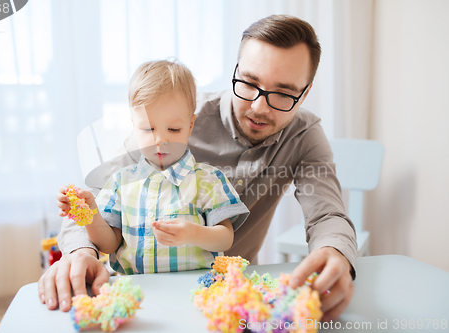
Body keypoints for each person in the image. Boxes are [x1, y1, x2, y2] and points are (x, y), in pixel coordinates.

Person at [39, 15, 356, 322]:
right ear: (236, 70)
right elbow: (95, 192)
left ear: (305, 93)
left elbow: (327, 214)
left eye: (284, 93)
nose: (259, 107)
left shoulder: (304, 135)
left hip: (227, 295)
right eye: (249, 82)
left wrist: (335, 253)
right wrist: (81, 251)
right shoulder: (173, 117)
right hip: (141, 290)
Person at [62, 60, 249, 275]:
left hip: (194, 289)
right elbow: (109, 245)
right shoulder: (121, 182)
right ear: (134, 125)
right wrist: (90, 215)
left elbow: (225, 238)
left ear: (190, 126)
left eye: (173, 129)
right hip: (136, 291)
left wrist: (193, 233)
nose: (160, 140)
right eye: (148, 129)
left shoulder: (207, 180)